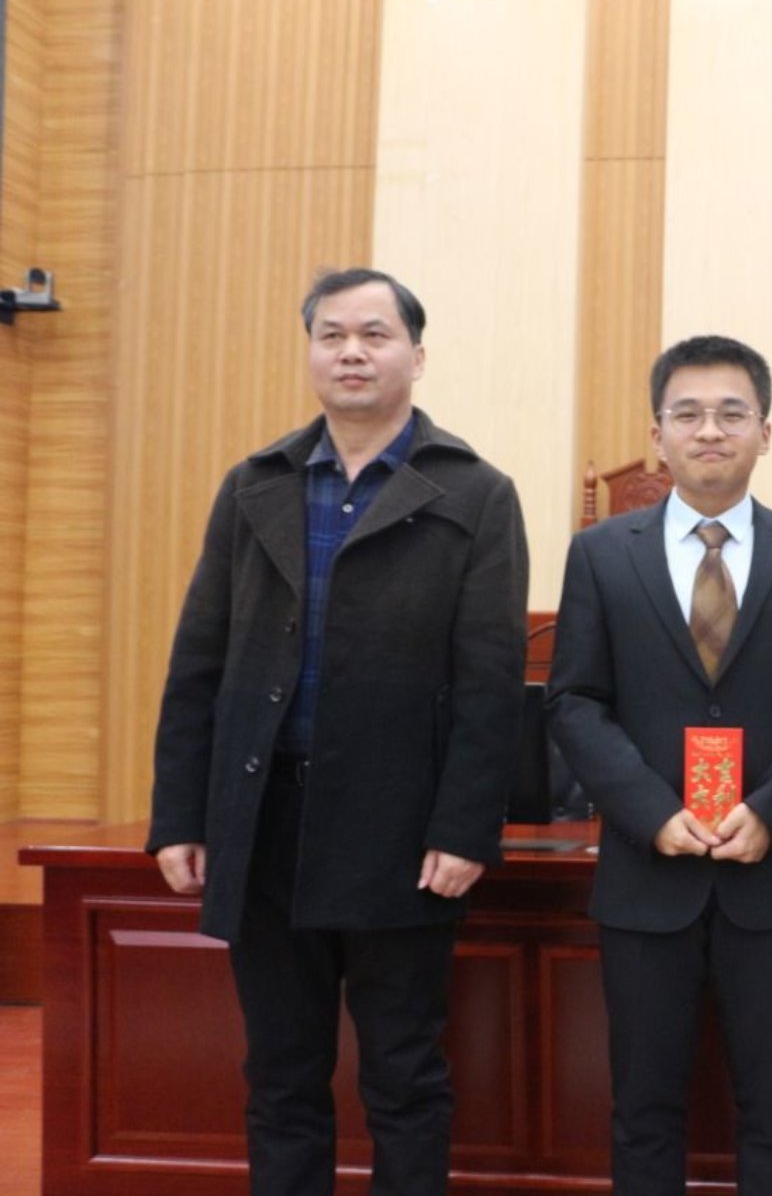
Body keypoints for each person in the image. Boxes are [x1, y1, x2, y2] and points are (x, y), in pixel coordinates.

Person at [146, 267, 530, 1195]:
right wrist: (180, 815)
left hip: (402, 834)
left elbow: (490, 683)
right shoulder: (255, 484)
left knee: (404, 1075)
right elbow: (200, 661)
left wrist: (464, 827)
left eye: (374, 334)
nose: (351, 352)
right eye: (332, 335)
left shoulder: (474, 492)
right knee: (280, 1076)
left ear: (416, 356)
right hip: (265, 822)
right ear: (312, 352)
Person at [546, 334, 772, 1196]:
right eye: (687, 414)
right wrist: (650, 811)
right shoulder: (602, 553)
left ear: (766, 430)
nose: (710, 430)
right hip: (646, 876)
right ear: (658, 434)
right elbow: (573, 699)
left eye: (732, 412)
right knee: (644, 1107)